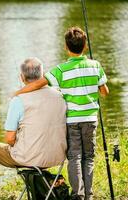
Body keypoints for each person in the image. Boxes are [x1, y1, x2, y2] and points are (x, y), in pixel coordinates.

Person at [13, 27, 109, 200]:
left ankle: (78, 195)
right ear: (85, 46)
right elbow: (104, 92)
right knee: (89, 157)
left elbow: (38, 84)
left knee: (75, 157)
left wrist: (18, 93)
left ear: (66, 46)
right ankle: (89, 195)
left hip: (72, 121)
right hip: (90, 119)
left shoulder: (61, 70)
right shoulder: (95, 65)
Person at [0, 57, 67, 199]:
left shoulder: (19, 100)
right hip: (57, 156)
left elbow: (10, 139)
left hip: (30, 157)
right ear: (42, 76)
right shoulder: (60, 96)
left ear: (22, 77)